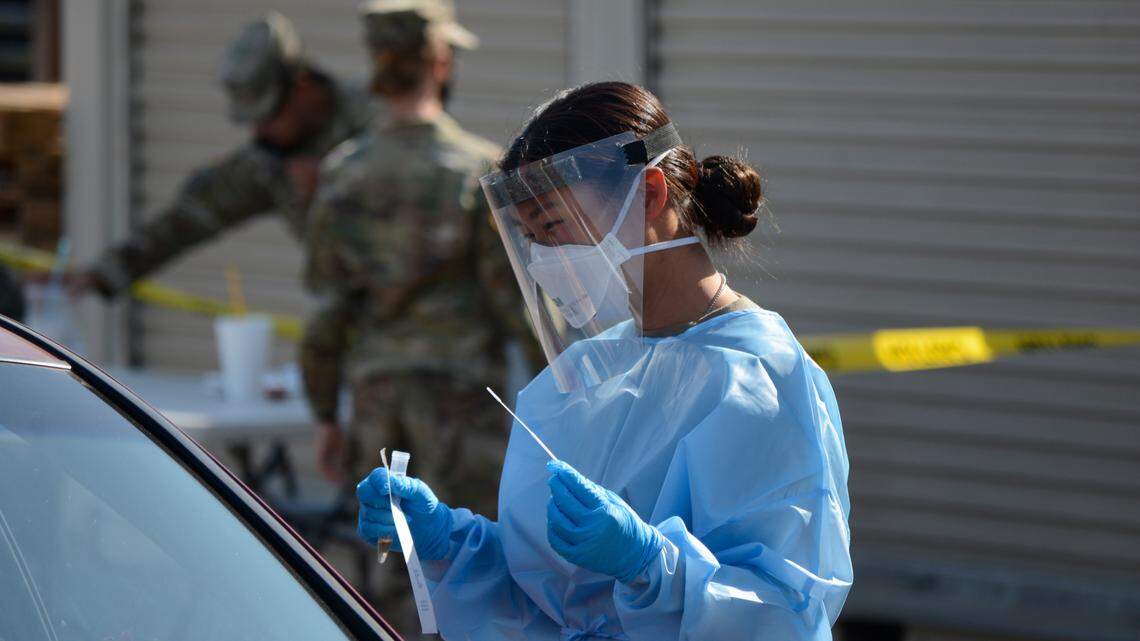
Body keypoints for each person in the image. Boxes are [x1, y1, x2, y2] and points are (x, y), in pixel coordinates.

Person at [355, 81, 853, 640]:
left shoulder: (761, 376)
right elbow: (559, 602)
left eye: (553, 226)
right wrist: (450, 545)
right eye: (529, 236)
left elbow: (786, 616)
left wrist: (650, 566)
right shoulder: (599, 366)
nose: (543, 257)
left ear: (650, 195)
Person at [301, 0, 535, 630]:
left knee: (387, 574)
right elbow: (518, 307)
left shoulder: (344, 173)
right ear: (437, 60)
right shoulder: (477, 171)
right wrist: (566, 397)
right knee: (472, 569)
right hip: (463, 400)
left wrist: (326, 414)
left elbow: (328, 310)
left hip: (377, 400)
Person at [70, 12, 377, 298]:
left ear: (302, 86)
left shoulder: (377, 118)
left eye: (268, 116)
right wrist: (102, 275)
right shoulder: (271, 161)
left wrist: (331, 192)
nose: (259, 132)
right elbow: (188, 217)